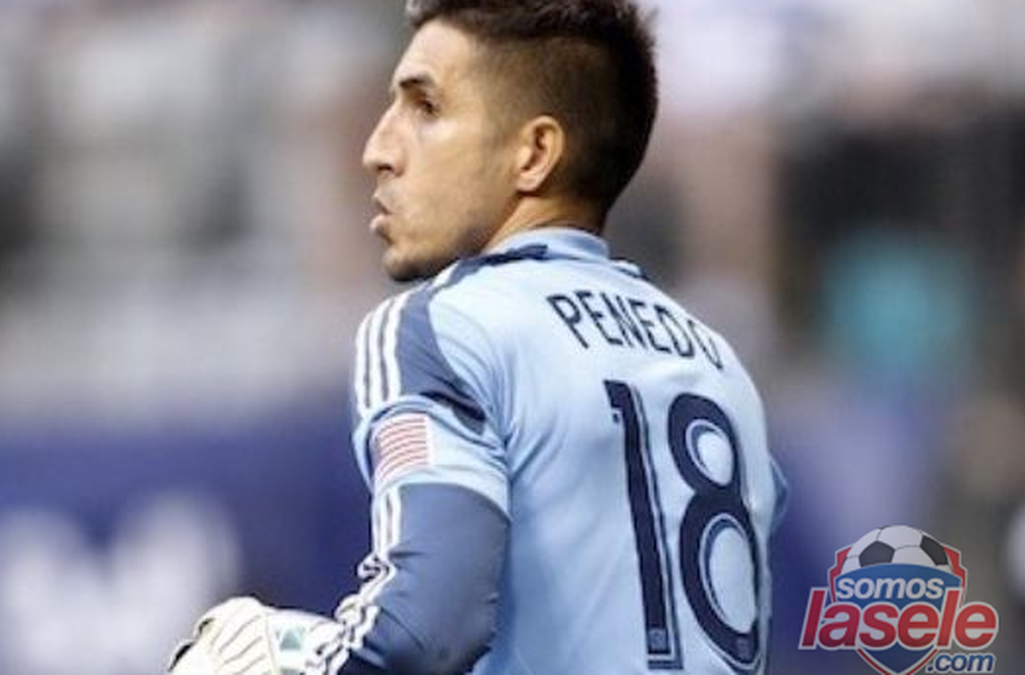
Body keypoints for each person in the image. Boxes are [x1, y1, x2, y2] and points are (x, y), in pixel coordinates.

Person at [169, 0, 787, 673]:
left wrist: (293, 659)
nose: (378, 149)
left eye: (425, 108)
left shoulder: (442, 327)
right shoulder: (716, 362)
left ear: (534, 154)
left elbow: (419, 632)